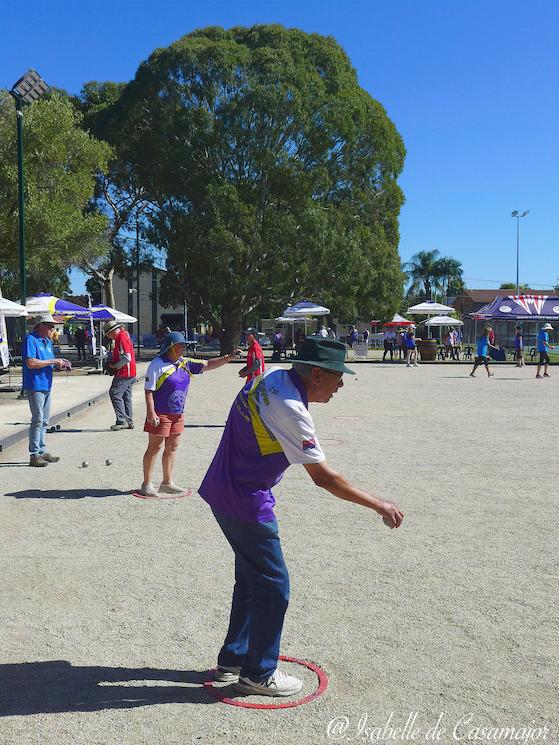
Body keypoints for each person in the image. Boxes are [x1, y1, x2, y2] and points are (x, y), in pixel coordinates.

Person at [199, 337, 404, 697]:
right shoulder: (291, 407)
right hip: (245, 500)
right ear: (316, 374)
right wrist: (379, 504)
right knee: (275, 587)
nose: (341, 385)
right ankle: (259, 673)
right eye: (337, 376)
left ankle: (234, 659)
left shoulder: (274, 376)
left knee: (251, 580)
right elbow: (325, 478)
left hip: (222, 487)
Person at [141, 332, 240, 497]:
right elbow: (148, 391)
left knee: (172, 447)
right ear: (172, 347)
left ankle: (167, 482)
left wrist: (227, 358)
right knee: (154, 448)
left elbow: (207, 364)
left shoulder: (184, 363)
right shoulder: (157, 364)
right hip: (160, 414)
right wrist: (151, 413)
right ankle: (147, 484)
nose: (184, 348)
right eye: (181, 345)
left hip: (177, 414)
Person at [22, 314, 71, 467]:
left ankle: (42, 451)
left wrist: (59, 365)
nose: (53, 329)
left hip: (46, 384)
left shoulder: (47, 341)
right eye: (50, 326)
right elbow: (31, 363)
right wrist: (53, 361)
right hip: (35, 385)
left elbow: (45, 363)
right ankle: (34, 454)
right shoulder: (31, 339)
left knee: (44, 420)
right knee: (37, 420)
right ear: (41, 326)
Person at [105, 320, 137, 430]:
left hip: (124, 373)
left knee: (115, 393)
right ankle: (129, 420)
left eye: (108, 334)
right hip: (130, 372)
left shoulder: (121, 338)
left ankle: (121, 420)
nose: (109, 337)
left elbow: (126, 357)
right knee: (126, 396)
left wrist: (115, 366)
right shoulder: (124, 336)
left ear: (112, 331)